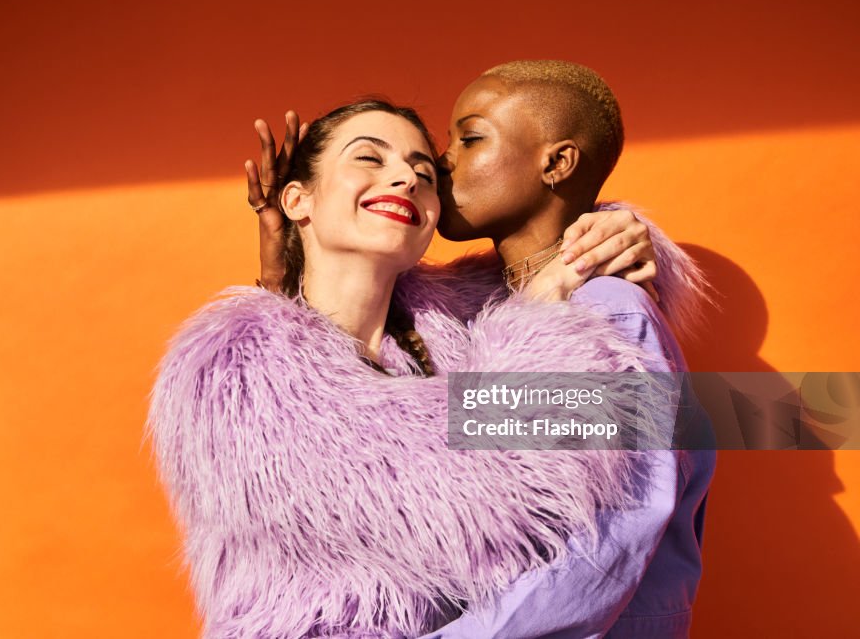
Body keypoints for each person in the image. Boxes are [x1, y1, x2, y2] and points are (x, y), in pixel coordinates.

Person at [147, 100, 679, 638]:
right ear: (297, 198)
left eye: (424, 172)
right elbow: (482, 509)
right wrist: (540, 310)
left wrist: (600, 240)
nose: (405, 178)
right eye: (369, 159)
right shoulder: (233, 373)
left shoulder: (449, 333)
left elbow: (657, 413)